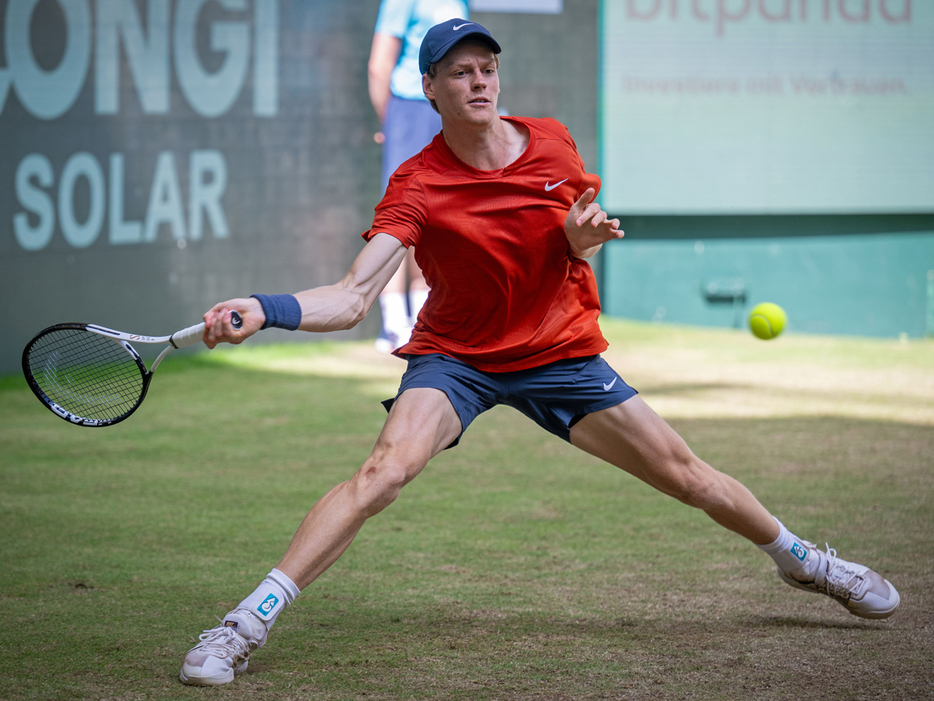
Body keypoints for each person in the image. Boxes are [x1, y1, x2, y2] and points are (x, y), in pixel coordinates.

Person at [179, 19, 900, 687]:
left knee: (688, 475)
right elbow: (350, 297)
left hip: (557, 351)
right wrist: (264, 308)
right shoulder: (417, 182)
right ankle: (244, 623)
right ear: (428, 87)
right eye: (459, 72)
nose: (479, 82)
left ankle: (804, 561)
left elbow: (566, 241)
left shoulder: (552, 144)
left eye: (487, 68)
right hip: (458, 357)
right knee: (382, 471)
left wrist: (579, 242)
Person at [368, 0, 468, 353]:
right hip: (408, 110)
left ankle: (426, 322)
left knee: (438, 216)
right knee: (400, 217)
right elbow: (379, 67)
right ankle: (395, 325)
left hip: (444, 111)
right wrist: (391, 123)